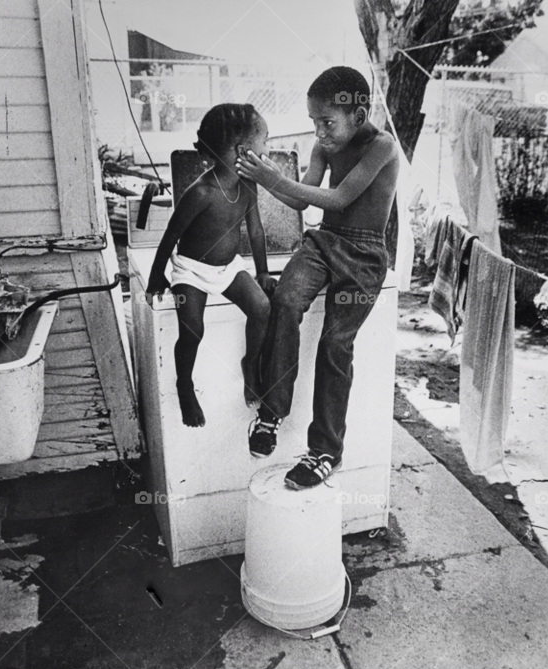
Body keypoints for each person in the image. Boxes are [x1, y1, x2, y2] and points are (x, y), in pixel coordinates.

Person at [236, 66, 399, 489]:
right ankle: (272, 412)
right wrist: (265, 178)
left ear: (358, 116)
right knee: (285, 302)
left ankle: (326, 451)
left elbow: (339, 197)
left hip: (364, 255)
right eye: (314, 122)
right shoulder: (326, 146)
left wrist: (272, 178)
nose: (319, 132)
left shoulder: (382, 148)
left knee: (334, 343)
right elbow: (303, 195)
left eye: (326, 122)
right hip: (324, 242)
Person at [147, 103, 277, 427]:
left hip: (228, 267)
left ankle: (252, 365)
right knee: (193, 328)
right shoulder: (201, 192)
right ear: (242, 150)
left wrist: (262, 271)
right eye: (265, 141)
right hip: (191, 271)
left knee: (262, 307)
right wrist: (155, 277)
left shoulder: (248, 185)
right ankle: (184, 384)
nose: (269, 148)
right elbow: (171, 235)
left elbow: (256, 230)